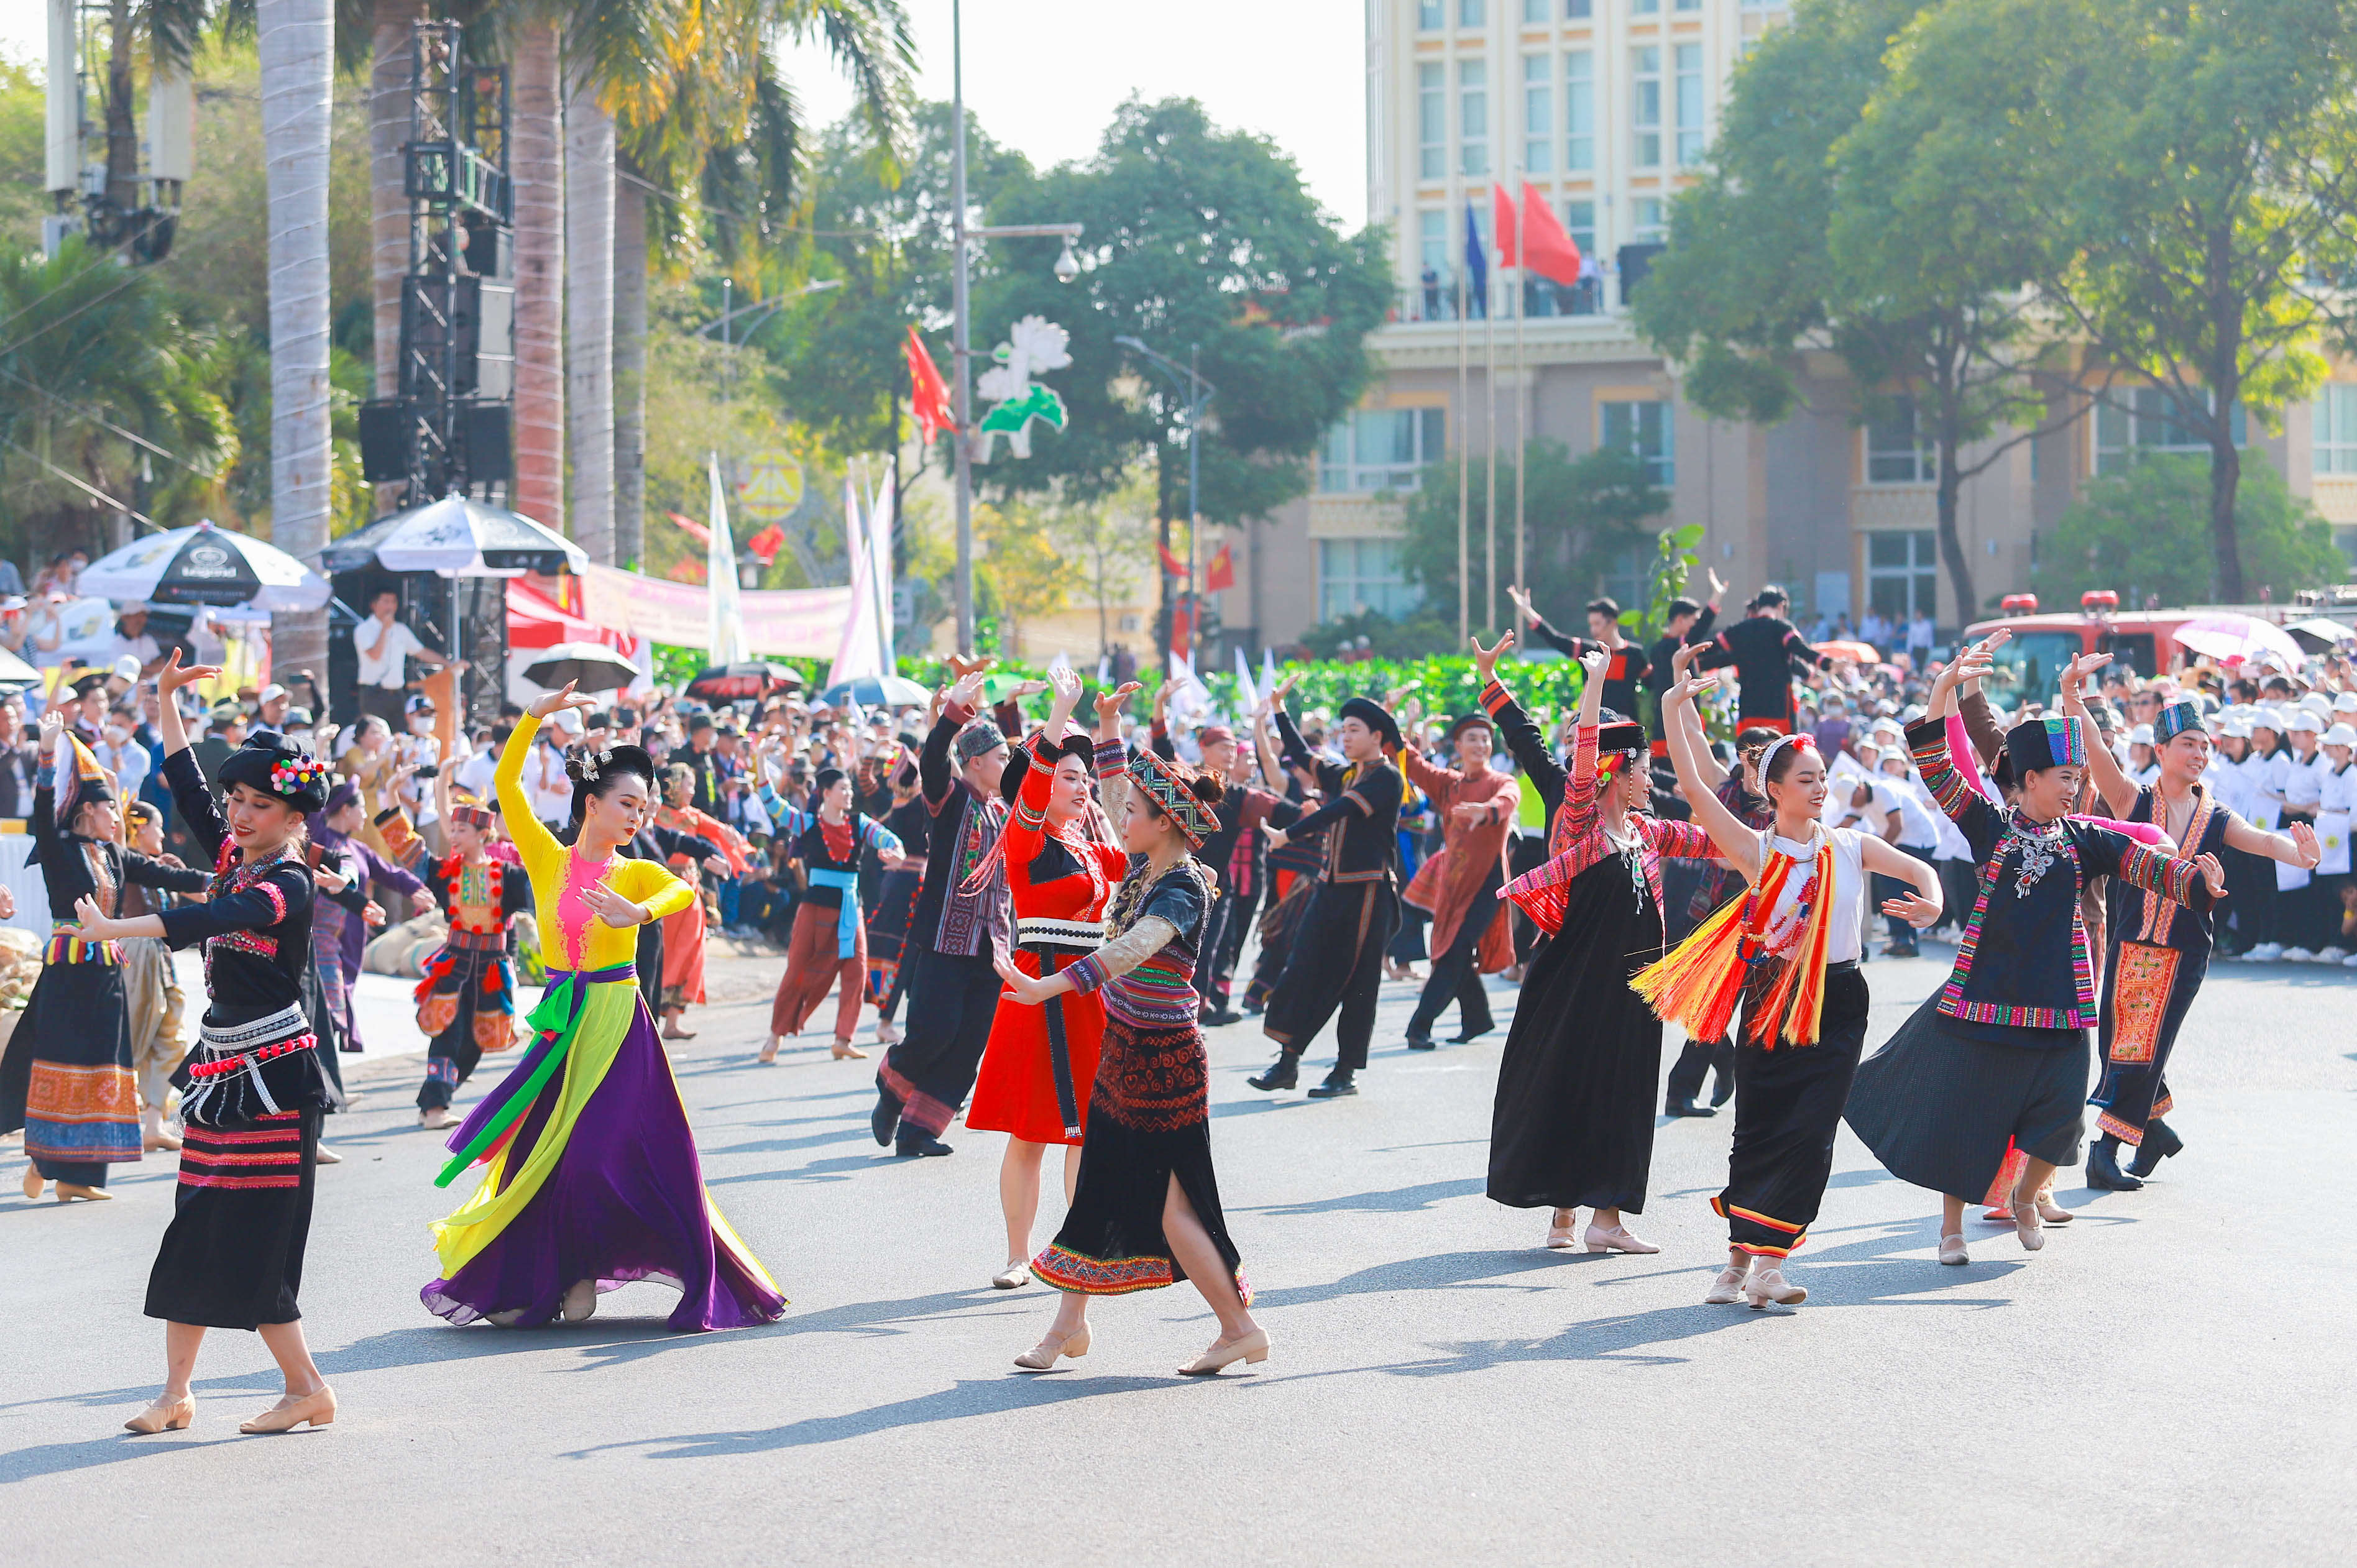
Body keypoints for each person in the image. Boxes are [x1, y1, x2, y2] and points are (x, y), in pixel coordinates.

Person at [420, 681, 787, 1332]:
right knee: (537, 1154)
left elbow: (680, 892)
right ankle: (547, 1279)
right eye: (626, 803)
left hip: (620, 1024)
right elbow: (507, 786)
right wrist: (533, 717)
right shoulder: (546, 859)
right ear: (591, 803)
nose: (637, 816)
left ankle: (586, 1270)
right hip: (562, 1022)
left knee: (598, 1154)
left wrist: (639, 912)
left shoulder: (634, 872)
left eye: (644, 807)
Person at [1843, 643, 2226, 1265]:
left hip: (2059, 1005)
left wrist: (2195, 883)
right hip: (1985, 1000)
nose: (2076, 789)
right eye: (2066, 779)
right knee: (1965, 1118)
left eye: (2078, 778)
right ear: (2028, 783)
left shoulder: (2085, 839)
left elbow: (2145, 864)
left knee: (2065, 1118)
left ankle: (2025, 1195)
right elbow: (1938, 767)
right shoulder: (1989, 827)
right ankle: (1951, 1230)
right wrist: (1943, 687)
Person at [62, 653, 341, 1435]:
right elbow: (185, 781)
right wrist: (162, 698)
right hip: (221, 1071)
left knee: (254, 1238)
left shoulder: (284, 885)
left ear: (295, 819)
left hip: (278, 1078)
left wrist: (118, 927)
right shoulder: (232, 859)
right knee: (193, 1223)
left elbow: (205, 922)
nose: (241, 814)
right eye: (237, 801)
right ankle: (176, 1393)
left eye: (260, 804)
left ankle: (307, 1387)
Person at [1643, 669, 1943, 1307]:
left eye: (1822, 778)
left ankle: (1770, 1267)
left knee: (1811, 1131)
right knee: (1759, 1128)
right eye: (1805, 779)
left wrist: (1934, 901)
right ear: (1772, 789)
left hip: (1840, 1001)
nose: (1819, 787)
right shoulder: (1757, 851)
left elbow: (1918, 866)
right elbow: (1695, 785)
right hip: (1773, 1000)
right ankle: (1736, 1260)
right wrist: (1674, 706)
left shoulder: (1851, 845)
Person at [992, 694, 1266, 1376]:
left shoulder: (1179, 888)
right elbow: (1120, 796)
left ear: (1163, 826)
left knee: (1176, 1210)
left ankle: (1238, 1327)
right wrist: (1109, 726)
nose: (1117, 820)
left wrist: (1049, 987)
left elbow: (1131, 950)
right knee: (1098, 1194)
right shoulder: (1149, 865)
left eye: (1133, 816)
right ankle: (1067, 1329)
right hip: (1126, 1051)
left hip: (1162, 1062)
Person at [1474, 639, 1721, 1254]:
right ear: (1617, 772)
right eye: (1640, 768)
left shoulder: (1646, 831)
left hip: (1636, 986)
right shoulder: (1579, 818)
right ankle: (1564, 1209)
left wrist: (1787, 835)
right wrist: (1596, 686)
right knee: (1569, 1086)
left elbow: (1715, 839)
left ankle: (1604, 1219)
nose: (1648, 779)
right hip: (1572, 985)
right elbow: (1577, 754)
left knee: (1626, 1092)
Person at [2059, 667, 2320, 1189]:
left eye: (2206, 745)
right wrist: (2072, 696)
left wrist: (2302, 855)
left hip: (2182, 953)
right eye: (2188, 744)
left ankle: (2106, 1150)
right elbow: (2096, 750)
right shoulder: (2134, 800)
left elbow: (2267, 843)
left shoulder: (2217, 816)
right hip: (2130, 944)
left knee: (2139, 1045)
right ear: (2160, 749)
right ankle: (2154, 1133)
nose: (2200, 753)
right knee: (2123, 1041)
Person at [968, 669, 1130, 1288]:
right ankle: (1018, 1255)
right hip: (1039, 988)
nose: (1080, 787)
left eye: (1083, 779)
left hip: (1089, 989)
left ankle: (1082, 1246)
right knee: (1032, 1132)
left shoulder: (1091, 847)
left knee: (1087, 1130)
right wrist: (1063, 710)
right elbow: (1033, 787)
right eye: (1070, 776)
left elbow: (1141, 847)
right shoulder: (1024, 835)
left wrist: (1110, 734)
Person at [1, 720, 207, 1200]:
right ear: (87, 809)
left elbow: (168, 874)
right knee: (63, 1066)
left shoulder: (114, 852)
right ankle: (41, 1158)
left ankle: (78, 1178)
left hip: (108, 975)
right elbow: (40, 805)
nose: (118, 816)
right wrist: (49, 756)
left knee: (105, 1068)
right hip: (69, 972)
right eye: (110, 807)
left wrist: (228, 877)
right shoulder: (59, 847)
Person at [871, 661, 1024, 1158]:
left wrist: (1013, 710)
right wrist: (953, 710)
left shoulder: (1006, 810)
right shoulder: (951, 798)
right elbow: (935, 756)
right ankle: (892, 1081)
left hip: (993, 945)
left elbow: (1034, 773)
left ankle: (921, 1130)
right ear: (976, 762)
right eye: (1001, 758)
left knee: (968, 1043)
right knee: (933, 1031)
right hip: (943, 940)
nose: (1007, 765)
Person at [1248, 682, 1405, 1099]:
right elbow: (1302, 757)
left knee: (1356, 981)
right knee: (1302, 967)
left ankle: (1345, 1070)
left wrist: (1288, 833)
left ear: (1377, 737)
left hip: (1368, 893)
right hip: (1330, 888)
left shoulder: (1387, 777)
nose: (1346, 736)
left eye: (1354, 729)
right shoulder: (1350, 772)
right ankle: (1287, 1063)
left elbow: (1340, 808)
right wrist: (1280, 710)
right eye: (1343, 730)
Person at [755, 756, 909, 1063]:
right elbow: (772, 802)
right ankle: (775, 1036)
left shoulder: (859, 822)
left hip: (852, 910)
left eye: (850, 788)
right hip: (814, 910)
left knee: (856, 972)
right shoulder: (807, 823)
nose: (850, 794)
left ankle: (843, 1039)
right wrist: (761, 759)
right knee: (798, 970)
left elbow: (889, 838)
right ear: (826, 792)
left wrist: (898, 853)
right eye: (843, 788)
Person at [408, 769, 535, 1129]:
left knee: (478, 1040)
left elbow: (540, 888)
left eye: (462, 830)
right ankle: (435, 1109)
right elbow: (409, 850)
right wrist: (390, 796)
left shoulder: (508, 874)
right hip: (455, 962)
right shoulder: (447, 871)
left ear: (482, 835)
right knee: (447, 1031)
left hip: (492, 966)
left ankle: (433, 1100)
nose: (454, 836)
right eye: (453, 829)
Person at [1397, 710, 1520, 1049]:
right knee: (1455, 951)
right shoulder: (1450, 784)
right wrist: (1402, 722)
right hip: (1452, 884)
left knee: (1454, 951)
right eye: (1472, 738)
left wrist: (1486, 811)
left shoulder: (1499, 782)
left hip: (1486, 883)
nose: (1481, 744)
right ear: (1458, 745)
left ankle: (1418, 1026)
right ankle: (1477, 1018)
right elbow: (1412, 763)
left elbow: (1508, 800)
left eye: (1485, 738)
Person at [119, 802, 196, 1153]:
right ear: (139, 829)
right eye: (158, 826)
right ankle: (110, 1121)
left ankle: (153, 1125)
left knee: (170, 1039)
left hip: (160, 955)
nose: (164, 834)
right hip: (137, 952)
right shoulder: (123, 860)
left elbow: (198, 897)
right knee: (134, 1038)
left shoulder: (162, 867)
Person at [1695, 585, 1827, 733]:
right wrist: (1826, 663)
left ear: (1758, 608)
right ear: (1781, 606)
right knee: (1780, 753)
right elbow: (1801, 651)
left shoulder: (1740, 631)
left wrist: (1690, 663)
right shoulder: (1781, 628)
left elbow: (1709, 650)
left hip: (1750, 712)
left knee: (1752, 753)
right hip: (1778, 711)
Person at [1509, 586, 1650, 720]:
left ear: (1613, 622)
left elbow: (1653, 684)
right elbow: (1555, 638)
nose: (1593, 630)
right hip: (1595, 725)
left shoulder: (1635, 654)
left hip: (1626, 727)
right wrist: (1527, 611)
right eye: (1591, 624)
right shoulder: (1589, 652)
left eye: (1597, 624)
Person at [352, 589, 443, 729]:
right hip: (374, 694)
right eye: (386, 601)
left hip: (397, 694)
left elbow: (421, 652)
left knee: (400, 734)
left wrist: (449, 663)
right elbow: (375, 655)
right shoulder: (364, 629)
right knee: (378, 733)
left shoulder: (401, 629)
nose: (390, 606)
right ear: (374, 605)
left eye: (393, 602)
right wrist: (385, 629)